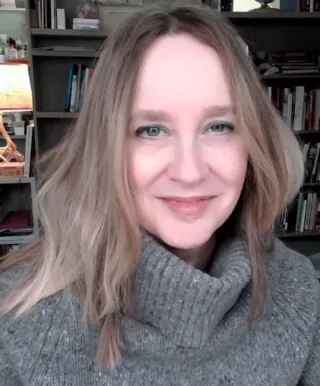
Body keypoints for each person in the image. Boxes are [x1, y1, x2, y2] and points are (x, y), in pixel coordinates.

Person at [1, 3, 319, 385]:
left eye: (219, 126)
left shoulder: (299, 293)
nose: (189, 172)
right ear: (105, 149)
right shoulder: (18, 319)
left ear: (254, 144)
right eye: (151, 130)